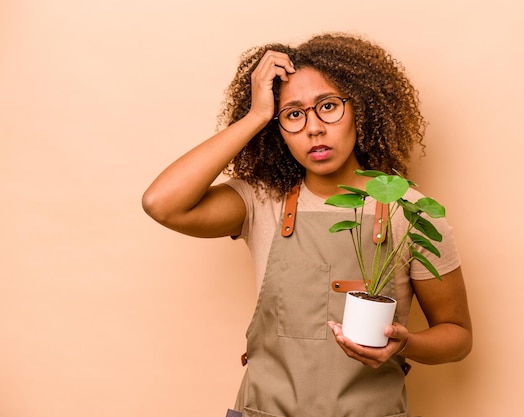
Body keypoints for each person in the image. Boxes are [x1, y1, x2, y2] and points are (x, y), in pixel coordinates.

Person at [142, 32, 472, 417]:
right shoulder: (262, 201)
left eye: (328, 106)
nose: (313, 128)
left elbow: (457, 335)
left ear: (361, 109)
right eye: (293, 114)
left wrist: (403, 344)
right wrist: (257, 115)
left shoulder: (410, 211)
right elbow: (161, 203)